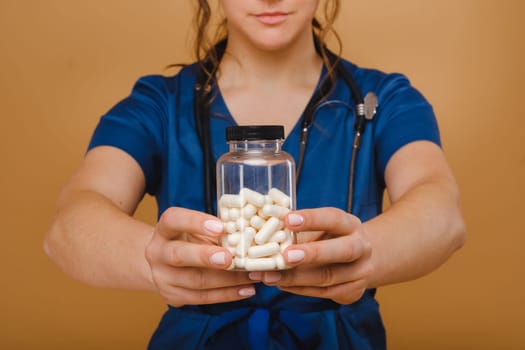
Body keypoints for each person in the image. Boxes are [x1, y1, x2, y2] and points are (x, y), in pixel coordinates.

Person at [44, 0, 466, 349]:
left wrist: (368, 252)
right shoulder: (159, 104)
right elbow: (70, 226)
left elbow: (441, 213)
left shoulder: (384, 99)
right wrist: (152, 259)